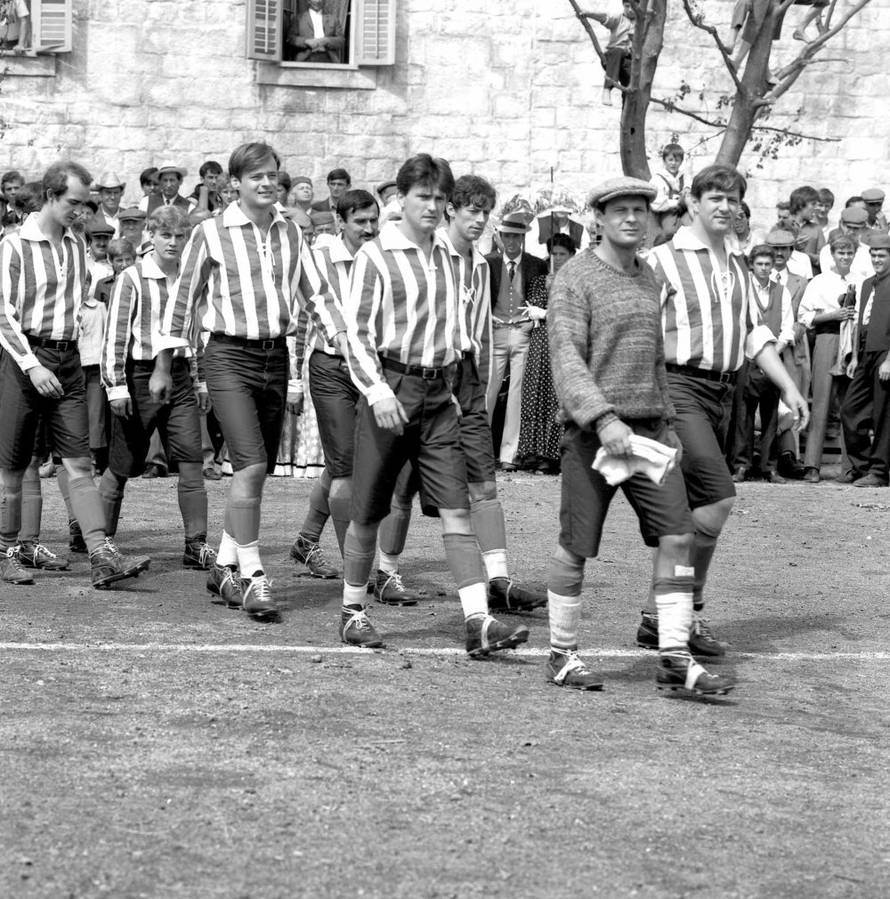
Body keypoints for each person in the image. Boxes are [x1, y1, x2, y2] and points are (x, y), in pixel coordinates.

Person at [546, 175, 733, 696]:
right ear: (599, 219)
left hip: (649, 434)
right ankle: (561, 653)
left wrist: (669, 423)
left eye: (640, 210)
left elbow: (655, 360)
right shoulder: (574, 277)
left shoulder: (649, 277)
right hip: (594, 436)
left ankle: (673, 655)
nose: (632, 218)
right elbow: (566, 358)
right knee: (576, 546)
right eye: (620, 210)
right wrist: (604, 421)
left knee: (678, 535)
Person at [340, 153, 530, 655]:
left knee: (456, 510)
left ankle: (478, 621)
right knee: (369, 512)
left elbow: (459, 330)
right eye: (424, 196)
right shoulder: (375, 257)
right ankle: (353, 609)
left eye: (439, 198)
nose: (433, 206)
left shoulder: (451, 260)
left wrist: (456, 381)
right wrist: (378, 391)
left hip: (440, 396)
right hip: (392, 391)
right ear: (401, 199)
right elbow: (355, 336)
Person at [156, 141, 345, 619]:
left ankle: (223, 564)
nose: (266, 183)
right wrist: (163, 363)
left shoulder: (291, 232)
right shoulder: (210, 233)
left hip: (274, 357)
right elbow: (183, 298)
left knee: (250, 474)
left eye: (272, 176)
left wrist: (342, 339)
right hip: (226, 356)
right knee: (252, 464)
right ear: (234, 183)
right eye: (255, 176)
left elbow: (316, 293)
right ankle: (253, 576)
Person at [639, 164, 809, 656]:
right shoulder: (660, 261)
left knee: (699, 510)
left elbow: (756, 335)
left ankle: (663, 616)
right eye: (714, 196)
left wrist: (791, 388)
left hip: (724, 392)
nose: (725, 206)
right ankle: (680, 612)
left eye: (733, 198)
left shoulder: (736, 264)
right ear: (692, 203)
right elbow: (640, 329)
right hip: (677, 387)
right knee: (717, 497)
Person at [374, 174, 548, 612]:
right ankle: (384, 570)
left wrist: (481, 391)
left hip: (467, 379)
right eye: (471, 210)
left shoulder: (479, 263)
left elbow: (482, 332)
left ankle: (499, 580)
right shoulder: (432, 255)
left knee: (485, 484)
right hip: (427, 376)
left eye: (485, 212)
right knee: (403, 484)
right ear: (450, 209)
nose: (480, 220)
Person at [0, 160, 150, 588]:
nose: (82, 213)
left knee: (80, 463)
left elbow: (79, 295)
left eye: (86, 205)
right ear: (50, 195)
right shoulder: (13, 246)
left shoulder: (74, 244)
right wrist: (31, 364)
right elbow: (3, 315)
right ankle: (6, 551)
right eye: (74, 203)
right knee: (12, 465)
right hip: (24, 357)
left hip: (67, 361)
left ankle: (102, 554)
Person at [99, 206, 216, 566]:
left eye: (180, 236)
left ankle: (195, 544)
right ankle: (99, 540)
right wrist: (116, 386)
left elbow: (191, 334)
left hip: (180, 373)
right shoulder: (133, 277)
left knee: (191, 460)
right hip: (137, 374)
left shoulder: (191, 277)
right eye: (166, 235)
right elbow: (115, 336)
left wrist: (199, 381)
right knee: (123, 463)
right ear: (150, 235)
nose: (174, 243)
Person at [290, 188, 380, 581]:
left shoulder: (384, 256)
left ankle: (307, 540)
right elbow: (303, 320)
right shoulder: (320, 259)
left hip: (372, 371)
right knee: (347, 469)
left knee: (340, 461)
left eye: (374, 220)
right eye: (361, 221)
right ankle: (355, 567)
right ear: (340, 222)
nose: (370, 228)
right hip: (331, 367)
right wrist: (294, 378)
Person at [485, 210, 548, 470]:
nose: (512, 242)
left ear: (523, 238)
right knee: (488, 392)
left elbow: (541, 298)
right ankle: (479, 452)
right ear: (500, 237)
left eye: (516, 237)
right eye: (507, 236)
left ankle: (509, 455)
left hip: (523, 332)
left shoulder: (537, 264)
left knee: (516, 395)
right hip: (496, 330)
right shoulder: (487, 263)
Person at [729, 245, 795, 483]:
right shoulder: (743, 290)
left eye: (768, 264)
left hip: (773, 359)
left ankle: (770, 467)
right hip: (747, 360)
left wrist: (773, 354)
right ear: (752, 265)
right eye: (760, 264)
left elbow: (788, 328)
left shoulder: (782, 291)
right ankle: (741, 465)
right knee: (743, 414)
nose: (764, 269)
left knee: (771, 415)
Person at [797, 235, 860, 483]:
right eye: (840, 253)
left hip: (852, 342)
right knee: (822, 400)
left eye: (849, 253)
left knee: (850, 403)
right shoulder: (820, 281)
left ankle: (849, 466)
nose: (845, 258)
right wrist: (834, 314)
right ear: (832, 255)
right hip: (828, 338)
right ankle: (812, 464)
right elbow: (805, 316)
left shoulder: (861, 280)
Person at [517, 233, 575, 473]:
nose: (558, 258)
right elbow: (531, 309)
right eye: (554, 254)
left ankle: (555, 454)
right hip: (541, 343)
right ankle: (533, 451)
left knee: (557, 396)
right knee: (536, 393)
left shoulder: (576, 279)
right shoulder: (541, 280)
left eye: (563, 254)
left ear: (571, 255)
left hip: (565, 343)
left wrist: (548, 311)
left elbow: (572, 311)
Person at [841, 234, 890, 487]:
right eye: (874, 255)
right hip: (865, 353)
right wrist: (856, 357)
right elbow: (861, 321)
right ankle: (861, 465)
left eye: (882, 255)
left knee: (883, 414)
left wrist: (889, 359)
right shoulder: (867, 284)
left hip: (885, 353)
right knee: (850, 409)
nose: (877, 260)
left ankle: (880, 471)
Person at [766, 228, 810, 477]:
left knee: (792, 398)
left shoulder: (799, 282)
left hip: (790, 348)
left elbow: (803, 320)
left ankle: (789, 455)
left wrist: (782, 343)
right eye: (775, 249)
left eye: (784, 249)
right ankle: (761, 455)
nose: (779, 254)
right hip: (761, 347)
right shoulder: (758, 277)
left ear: (791, 251)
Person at [583, 2, 635, 106]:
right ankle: (607, 89)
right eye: (627, 6)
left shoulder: (642, 23)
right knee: (618, 51)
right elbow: (604, 18)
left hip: (629, 61)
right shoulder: (618, 19)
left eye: (633, 7)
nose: (630, 10)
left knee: (630, 86)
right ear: (623, 5)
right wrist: (588, 14)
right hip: (613, 59)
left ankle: (627, 113)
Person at [649, 143, 688, 215]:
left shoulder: (684, 177)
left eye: (677, 160)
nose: (673, 163)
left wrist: (687, 189)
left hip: (683, 211)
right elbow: (656, 203)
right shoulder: (658, 179)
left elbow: (691, 188)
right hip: (665, 214)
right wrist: (677, 202)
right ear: (664, 161)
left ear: (681, 162)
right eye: (670, 160)